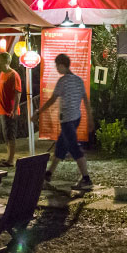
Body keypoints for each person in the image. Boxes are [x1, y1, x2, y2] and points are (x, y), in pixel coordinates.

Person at [33, 53, 93, 190]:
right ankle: (48, 174)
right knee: (60, 147)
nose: (56, 68)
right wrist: (90, 118)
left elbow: (52, 100)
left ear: (61, 65)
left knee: (74, 148)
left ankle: (86, 179)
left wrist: (38, 112)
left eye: (56, 66)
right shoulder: (78, 80)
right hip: (76, 118)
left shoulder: (63, 81)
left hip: (67, 120)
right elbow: (86, 100)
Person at [0, 52, 22, 167]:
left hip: (9, 111)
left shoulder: (13, 75)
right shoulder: (2, 74)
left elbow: (18, 93)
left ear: (6, 62)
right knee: (5, 136)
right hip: (1, 110)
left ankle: (10, 160)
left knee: (10, 135)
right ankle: (8, 157)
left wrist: (14, 109)